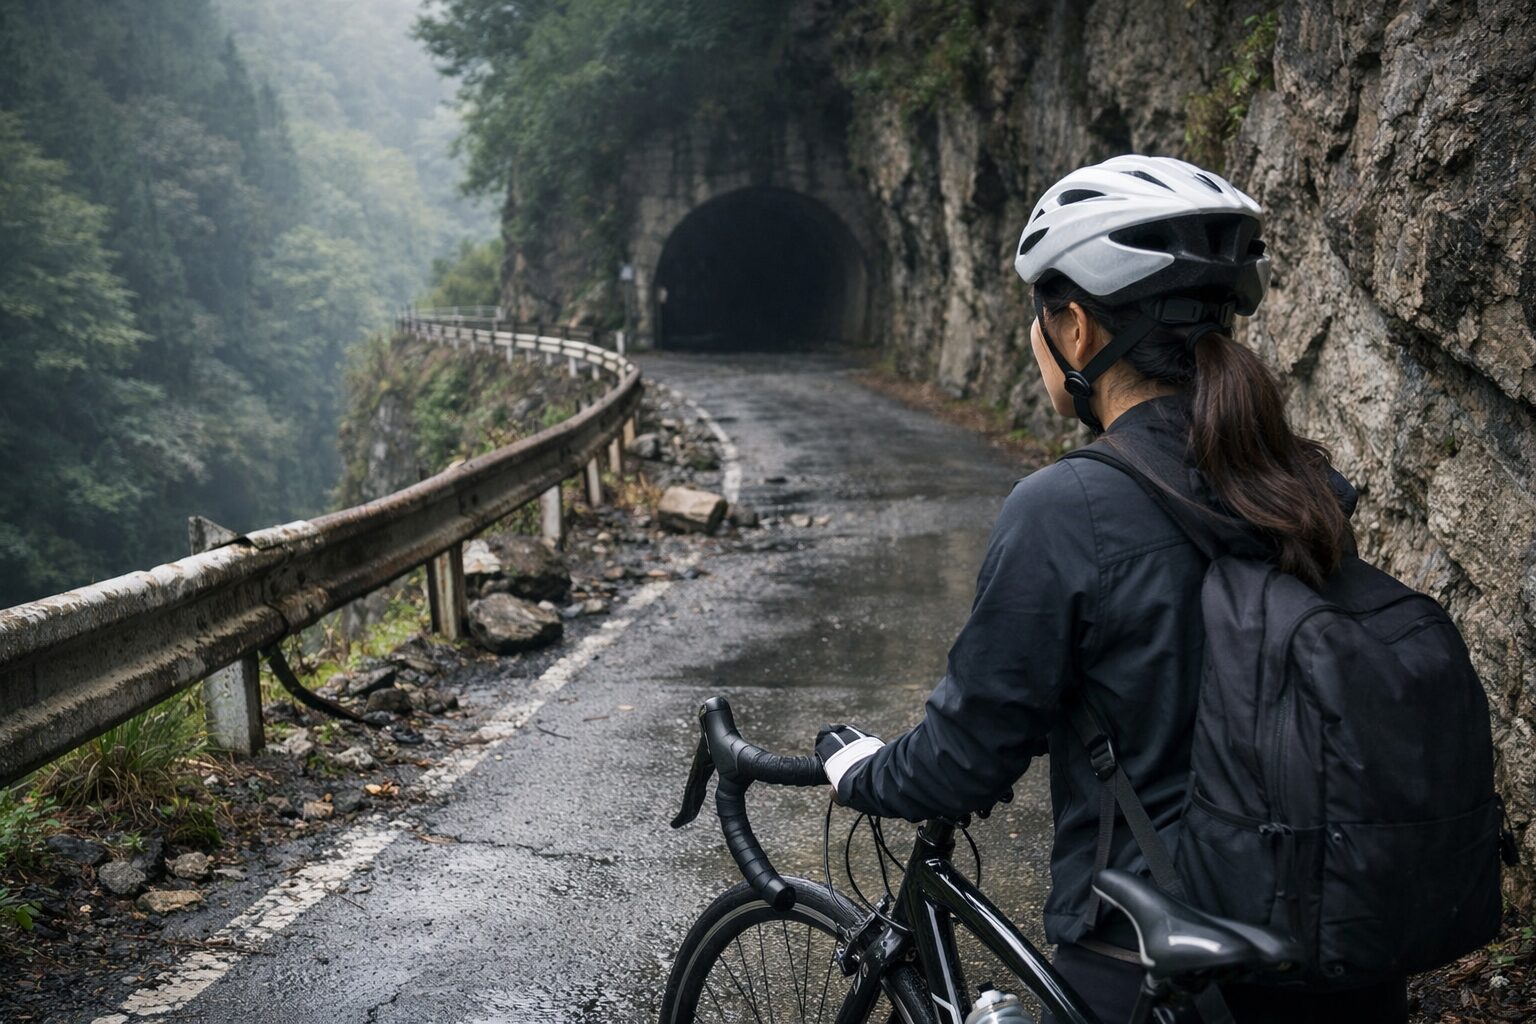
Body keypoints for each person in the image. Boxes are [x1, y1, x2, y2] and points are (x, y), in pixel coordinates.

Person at [814, 155, 1406, 1022]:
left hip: (1154, 969)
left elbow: (964, 758)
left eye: (1040, 316)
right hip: (1340, 948)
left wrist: (862, 773)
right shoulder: (1301, 486)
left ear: (1077, 330)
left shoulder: (1068, 509)